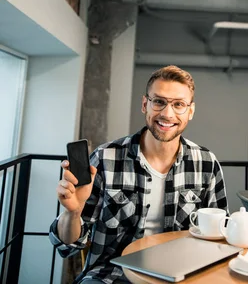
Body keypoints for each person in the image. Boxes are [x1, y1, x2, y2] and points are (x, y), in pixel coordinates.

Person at [49, 65, 229, 284]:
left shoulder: (207, 164)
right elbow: (67, 246)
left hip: (182, 277)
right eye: (159, 101)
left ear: (190, 111)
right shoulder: (105, 158)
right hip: (111, 275)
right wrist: (73, 213)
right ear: (145, 104)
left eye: (178, 105)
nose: (167, 114)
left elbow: (220, 236)